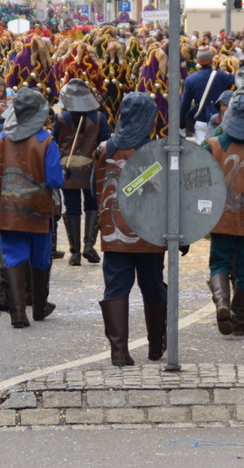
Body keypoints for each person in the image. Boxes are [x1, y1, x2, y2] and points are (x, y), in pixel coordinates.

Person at [93, 92, 166, 365]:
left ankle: (119, 352)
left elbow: (94, 189)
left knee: (116, 287)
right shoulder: (158, 151)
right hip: (149, 234)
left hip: (114, 233)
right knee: (153, 287)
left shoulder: (103, 149)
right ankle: (156, 346)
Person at [0, 87, 64, 328]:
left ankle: (18, 314)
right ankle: (39, 308)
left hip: (9, 209)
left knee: (12, 255)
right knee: (41, 258)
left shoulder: (0, 140)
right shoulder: (46, 141)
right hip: (38, 210)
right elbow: (54, 181)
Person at [205, 93, 244, 336]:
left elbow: (199, 181)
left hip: (220, 216)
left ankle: (222, 302)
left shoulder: (213, 145)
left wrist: (201, 214)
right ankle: (238, 316)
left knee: (219, 262)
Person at [53, 79, 110, 266]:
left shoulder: (61, 118)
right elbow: (106, 143)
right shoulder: (100, 118)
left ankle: (75, 252)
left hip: (67, 169)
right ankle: (88, 245)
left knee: (72, 207)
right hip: (91, 168)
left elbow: (54, 142)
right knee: (92, 205)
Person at [179, 48, 235, 143]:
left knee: (203, 153)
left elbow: (185, 104)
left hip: (200, 120)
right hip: (219, 120)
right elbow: (239, 79)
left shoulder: (190, 79)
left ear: (198, 61)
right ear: (212, 59)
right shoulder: (221, 76)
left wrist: (181, 123)